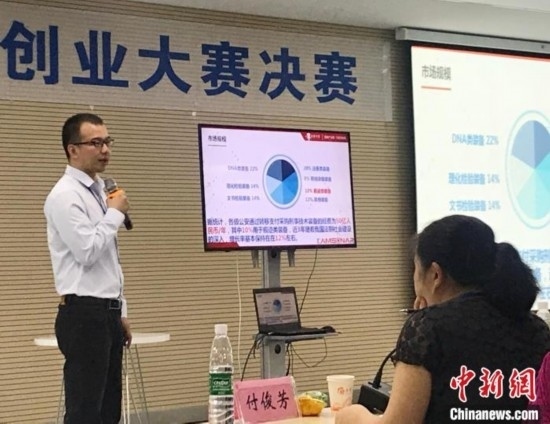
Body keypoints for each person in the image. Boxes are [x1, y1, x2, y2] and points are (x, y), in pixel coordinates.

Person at [336, 214, 550, 424]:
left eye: (416, 268)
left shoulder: (429, 328)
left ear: (435, 274)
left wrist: (352, 415)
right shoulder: (538, 328)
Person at [44, 113, 132, 424]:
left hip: (106, 314)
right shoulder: (65, 195)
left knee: (108, 412)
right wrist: (114, 215)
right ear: (73, 149)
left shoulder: (98, 189)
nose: (105, 150)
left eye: (107, 141)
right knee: (85, 413)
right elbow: (87, 252)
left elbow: (110, 261)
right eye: (96, 143)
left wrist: (120, 311)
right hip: (83, 315)